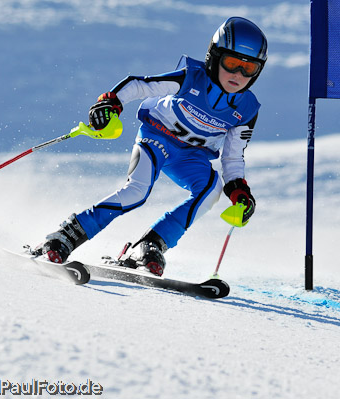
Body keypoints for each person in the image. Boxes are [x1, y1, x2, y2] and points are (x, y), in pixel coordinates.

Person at [39, 17, 268, 276]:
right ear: (214, 57)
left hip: (191, 156)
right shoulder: (190, 79)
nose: (238, 74)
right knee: (137, 191)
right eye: (232, 63)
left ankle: (150, 245)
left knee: (212, 188)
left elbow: (233, 157)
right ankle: (67, 235)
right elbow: (138, 85)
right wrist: (110, 102)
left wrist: (239, 189)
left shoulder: (247, 110)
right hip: (157, 137)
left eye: (249, 68)